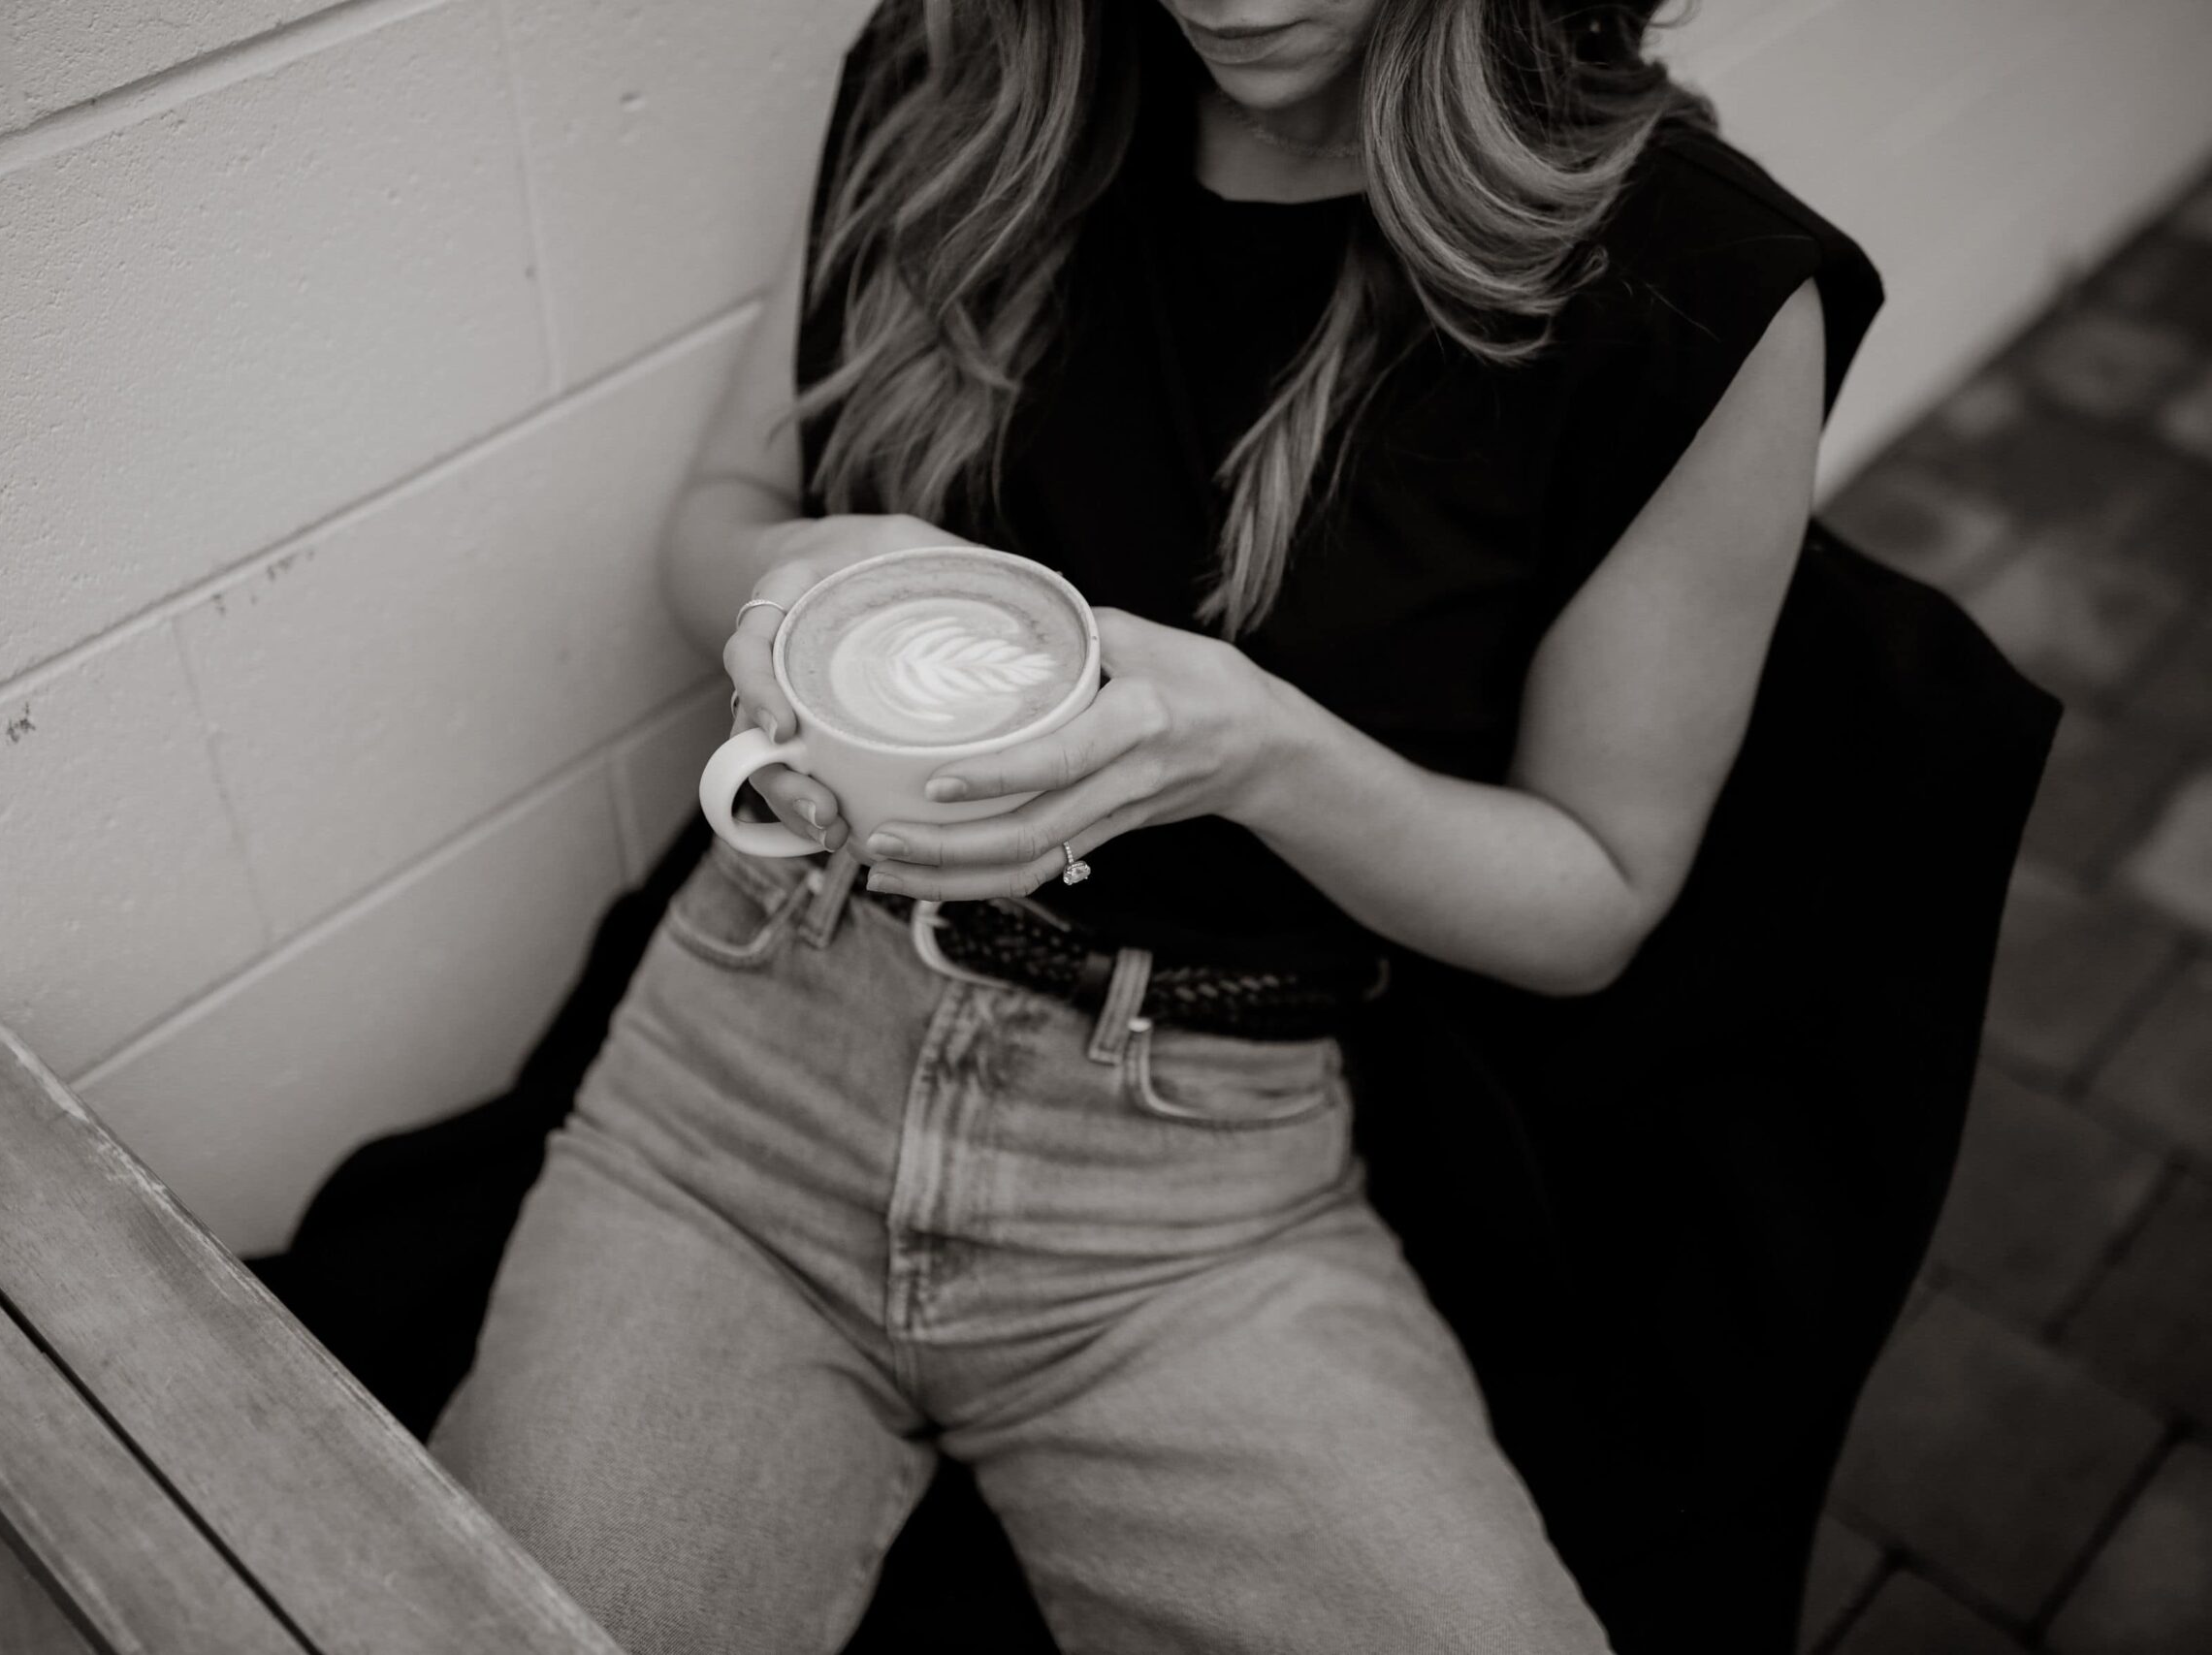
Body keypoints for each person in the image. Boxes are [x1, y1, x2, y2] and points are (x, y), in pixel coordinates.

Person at [430, 3, 1895, 1650]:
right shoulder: (955, 73)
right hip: (745, 1077)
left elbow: (1595, 896)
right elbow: (723, 520)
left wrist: (1260, 754)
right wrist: (802, 584)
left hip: (1193, 1191)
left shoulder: (1692, 285)